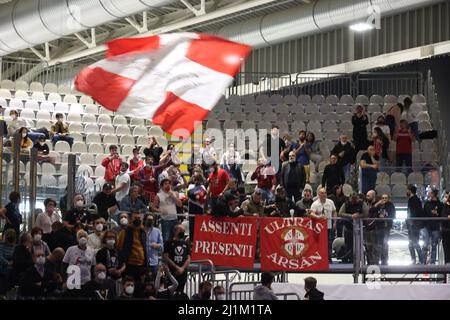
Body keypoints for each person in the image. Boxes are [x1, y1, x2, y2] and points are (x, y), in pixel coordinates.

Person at [338, 194, 369, 263]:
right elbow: (340, 213)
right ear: (350, 198)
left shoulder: (362, 203)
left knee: (359, 244)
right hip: (348, 227)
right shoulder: (346, 204)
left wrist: (358, 216)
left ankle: (358, 259)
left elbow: (366, 213)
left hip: (359, 228)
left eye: (356, 199)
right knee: (348, 244)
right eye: (352, 199)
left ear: (358, 198)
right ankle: (349, 259)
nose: (354, 201)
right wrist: (351, 216)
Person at [309, 188, 337, 263]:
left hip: (329, 226)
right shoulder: (315, 203)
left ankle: (328, 257)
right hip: (319, 228)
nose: (323, 194)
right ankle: (320, 257)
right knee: (319, 242)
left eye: (325, 193)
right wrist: (318, 217)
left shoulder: (330, 202)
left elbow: (334, 212)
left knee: (329, 242)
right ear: (318, 194)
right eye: (322, 193)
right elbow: (311, 214)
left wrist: (335, 222)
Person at [118, 212, 148, 281]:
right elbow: (119, 247)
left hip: (142, 265)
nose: (137, 219)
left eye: (139, 218)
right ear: (131, 219)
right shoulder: (124, 232)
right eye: (135, 218)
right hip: (129, 264)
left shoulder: (143, 232)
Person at [163, 224, 191, 293]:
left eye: (183, 231)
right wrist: (177, 267)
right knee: (170, 291)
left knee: (180, 292)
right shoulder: (168, 243)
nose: (182, 232)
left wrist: (182, 268)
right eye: (180, 230)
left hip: (183, 273)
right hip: (172, 272)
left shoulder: (186, 243)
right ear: (175, 231)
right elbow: (166, 257)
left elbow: (189, 258)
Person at [373, 194, 396, 265]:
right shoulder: (378, 205)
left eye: (386, 198)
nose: (384, 199)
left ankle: (385, 260)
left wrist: (386, 217)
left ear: (388, 198)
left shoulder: (391, 205)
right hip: (378, 226)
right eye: (383, 198)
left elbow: (393, 215)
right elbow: (372, 212)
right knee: (379, 244)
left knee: (385, 243)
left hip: (386, 227)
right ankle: (378, 259)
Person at [422, 189, 443, 265]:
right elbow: (424, 214)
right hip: (427, 227)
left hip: (436, 227)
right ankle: (423, 261)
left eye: (430, 193)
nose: (428, 194)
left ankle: (432, 262)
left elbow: (441, 215)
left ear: (433, 194)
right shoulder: (427, 204)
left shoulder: (440, 205)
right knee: (425, 244)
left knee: (434, 245)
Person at [406, 185, 424, 264]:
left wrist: (412, 223)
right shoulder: (412, 200)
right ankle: (414, 260)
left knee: (415, 243)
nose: (406, 191)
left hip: (414, 225)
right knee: (411, 243)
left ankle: (420, 260)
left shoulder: (415, 200)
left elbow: (415, 213)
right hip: (412, 224)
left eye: (407, 190)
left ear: (410, 190)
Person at [187, 174, 207, 240]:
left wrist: (197, 196)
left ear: (201, 180)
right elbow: (190, 194)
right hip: (192, 209)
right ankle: (192, 241)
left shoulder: (202, 187)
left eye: (198, 180)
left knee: (199, 226)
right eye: (195, 179)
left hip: (200, 209)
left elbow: (202, 195)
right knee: (192, 227)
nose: (196, 181)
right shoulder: (190, 186)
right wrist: (196, 196)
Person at [0, 229, 16, 296]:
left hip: (13, 266)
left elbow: (16, 257)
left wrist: (13, 262)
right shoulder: (1, 246)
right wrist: (8, 263)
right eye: (9, 235)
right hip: (3, 266)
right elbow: (0, 257)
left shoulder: (16, 247)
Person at [441, 192, 450, 264]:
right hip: (445, 231)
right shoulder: (444, 206)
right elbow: (443, 216)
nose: (446, 198)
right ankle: (447, 265)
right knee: (446, 250)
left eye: (447, 197)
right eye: (445, 197)